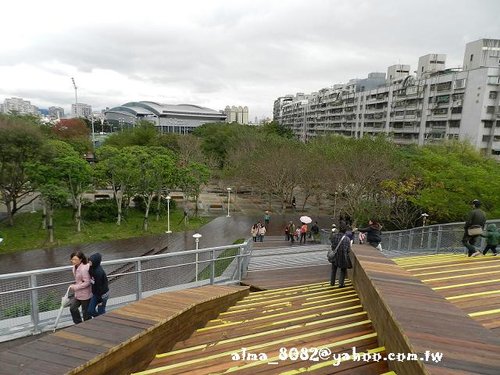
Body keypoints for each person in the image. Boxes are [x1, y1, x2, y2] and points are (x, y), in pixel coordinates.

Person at [69, 251, 92, 324]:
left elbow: (87, 282)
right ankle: (79, 324)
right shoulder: (74, 267)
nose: (73, 261)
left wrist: (75, 287)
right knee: (73, 308)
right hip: (78, 293)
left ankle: (87, 325)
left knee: (85, 312)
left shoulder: (84, 269)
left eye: (75, 259)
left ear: (81, 259)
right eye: (72, 259)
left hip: (85, 294)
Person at [88, 253, 109, 317]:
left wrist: (100, 300)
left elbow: (101, 287)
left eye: (90, 261)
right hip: (96, 293)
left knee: (101, 311)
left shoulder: (99, 272)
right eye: (89, 260)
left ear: (95, 262)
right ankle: (99, 319)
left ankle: (103, 323)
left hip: (103, 294)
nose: (89, 262)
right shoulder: (91, 268)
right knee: (90, 311)